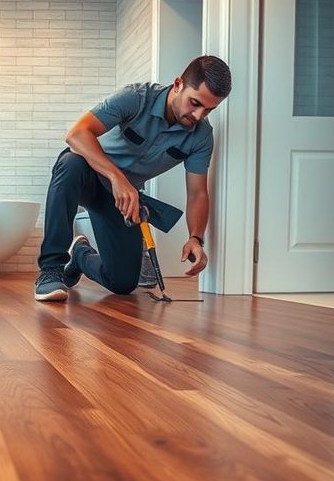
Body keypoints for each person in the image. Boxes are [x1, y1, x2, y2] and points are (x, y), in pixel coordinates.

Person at [34, 55, 232, 302]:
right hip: (88, 173)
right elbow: (76, 134)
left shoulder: (201, 137)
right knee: (69, 164)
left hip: (122, 200)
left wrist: (196, 238)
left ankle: (80, 255)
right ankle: (51, 269)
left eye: (209, 109)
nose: (199, 115)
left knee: (123, 282)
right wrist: (118, 178)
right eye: (195, 103)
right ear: (178, 83)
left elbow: (198, 193)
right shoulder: (136, 98)